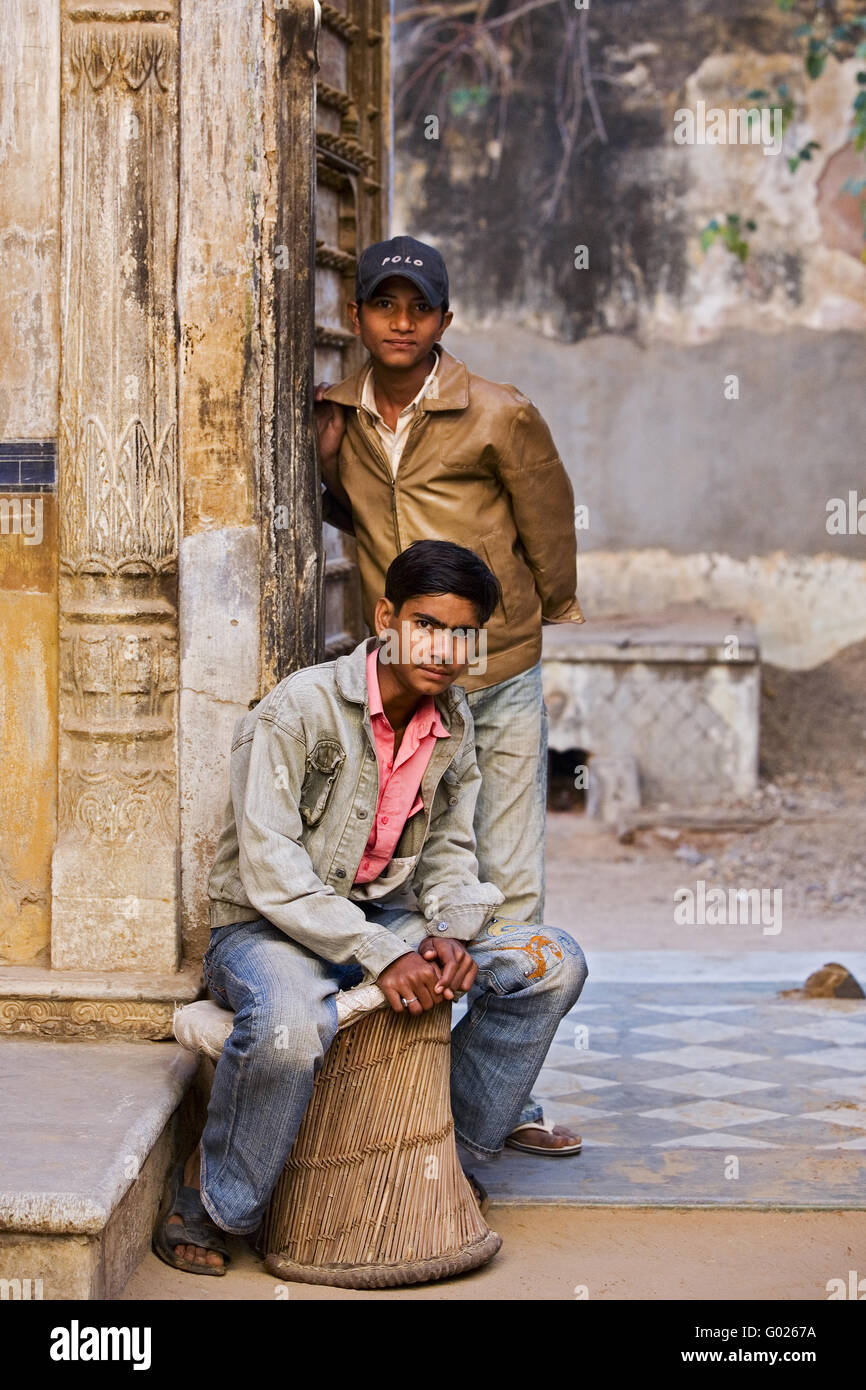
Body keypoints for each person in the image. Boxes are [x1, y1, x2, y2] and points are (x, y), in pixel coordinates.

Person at [153, 541, 587, 1274]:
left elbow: (451, 849)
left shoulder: (454, 721)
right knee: (290, 1026)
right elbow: (270, 870)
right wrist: (384, 955)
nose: (443, 649)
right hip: (269, 928)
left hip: (388, 915)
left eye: (462, 633)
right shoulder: (301, 708)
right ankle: (213, 1203)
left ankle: (446, 1157)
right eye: (425, 624)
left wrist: (448, 932)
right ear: (386, 617)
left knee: (550, 964)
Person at [315, 235, 586, 1155]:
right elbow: (331, 503)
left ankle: (510, 1095)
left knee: (508, 881)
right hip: (398, 682)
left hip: (494, 676)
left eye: (418, 307)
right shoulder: (336, 420)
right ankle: (419, 1080)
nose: (401, 321)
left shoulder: (499, 414)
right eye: (384, 305)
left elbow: (548, 520)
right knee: (411, 865)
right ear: (356, 317)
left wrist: (535, 617)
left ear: (444, 320)